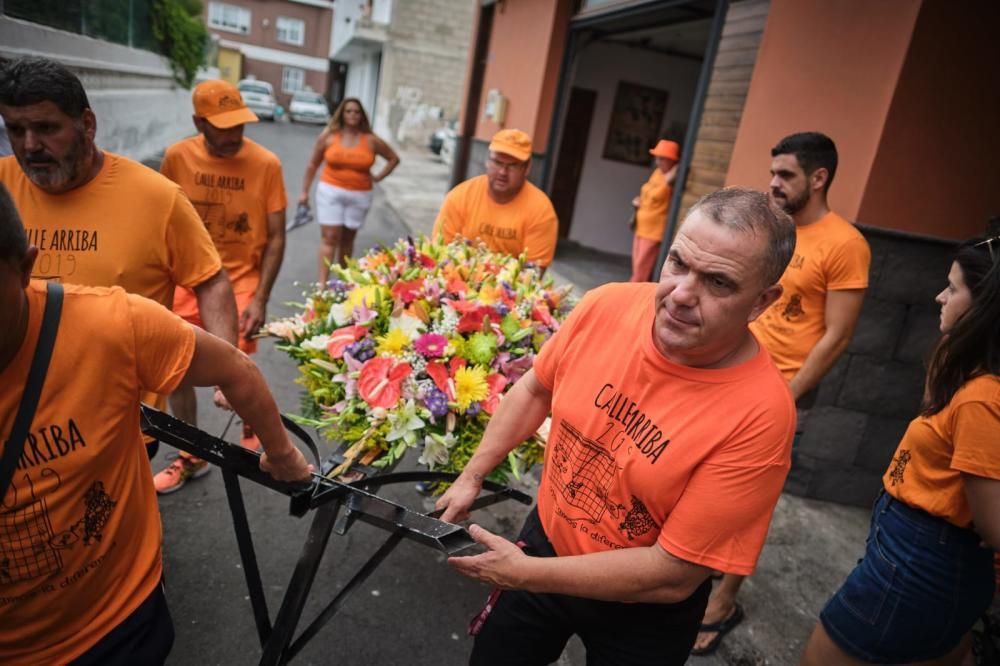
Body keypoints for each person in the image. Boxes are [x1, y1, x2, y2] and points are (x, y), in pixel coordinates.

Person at [436, 188, 798, 665]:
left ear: (762, 302)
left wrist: (523, 574)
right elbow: (535, 390)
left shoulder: (761, 415)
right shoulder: (605, 307)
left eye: (718, 283)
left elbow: (672, 572)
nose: (682, 294)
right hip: (545, 540)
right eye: (678, 264)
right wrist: (472, 475)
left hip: (642, 609)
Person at [0, 184, 313, 664]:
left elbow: (222, 318)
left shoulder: (111, 320)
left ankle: (190, 458)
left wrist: (284, 454)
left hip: (115, 625)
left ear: (25, 267)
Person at [0, 56, 238, 458]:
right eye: (16, 129)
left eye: (46, 128)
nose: (30, 145)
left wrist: (226, 368)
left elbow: (210, 278)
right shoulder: (2, 186)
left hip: (118, 427)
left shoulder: (156, 197)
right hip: (13, 418)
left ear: (87, 125)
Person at [693, 131, 871, 655]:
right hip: (730, 371)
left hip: (784, 389)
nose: (773, 182)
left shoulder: (845, 244)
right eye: (773, 172)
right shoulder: (771, 230)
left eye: (786, 175)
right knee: (702, 476)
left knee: (751, 498)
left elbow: (837, 335)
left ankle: (724, 598)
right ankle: (685, 567)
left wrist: (787, 396)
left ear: (818, 179)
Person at [800, 237, 1000, 666]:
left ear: (985, 306)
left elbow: (993, 525)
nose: (938, 296)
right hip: (916, 558)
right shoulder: (971, 377)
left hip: (920, 565)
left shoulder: (982, 398)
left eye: (952, 288)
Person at [153, 79, 288, 493]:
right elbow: (159, 219)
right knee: (174, 372)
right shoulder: (177, 156)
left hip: (240, 282)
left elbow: (277, 235)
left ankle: (251, 419)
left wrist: (262, 297)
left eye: (239, 125)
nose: (234, 134)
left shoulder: (266, 164)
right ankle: (191, 455)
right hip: (185, 280)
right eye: (223, 126)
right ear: (199, 121)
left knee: (235, 368)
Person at [297, 97, 399, 285]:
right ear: (342, 114)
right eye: (348, 111)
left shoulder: (371, 140)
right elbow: (313, 164)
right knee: (330, 237)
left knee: (347, 240)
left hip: (359, 195)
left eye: (357, 112)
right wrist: (304, 192)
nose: (352, 115)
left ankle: (342, 283)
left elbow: (393, 158)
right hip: (330, 191)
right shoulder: (329, 136)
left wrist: (378, 177)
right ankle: (322, 285)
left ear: (362, 116)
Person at [433, 128, 558, 269]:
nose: (502, 172)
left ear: (527, 168)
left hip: (511, 287)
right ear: (487, 161)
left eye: (512, 166)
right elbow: (441, 250)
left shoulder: (541, 210)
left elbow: (533, 271)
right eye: (497, 162)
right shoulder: (460, 196)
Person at [630, 139, 679, 282]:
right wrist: (639, 201)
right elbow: (649, 195)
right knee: (636, 267)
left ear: (671, 160)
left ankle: (631, 296)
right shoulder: (657, 173)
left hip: (653, 232)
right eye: (657, 158)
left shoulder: (672, 177)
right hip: (641, 227)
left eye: (662, 158)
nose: (658, 162)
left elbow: (660, 196)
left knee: (641, 269)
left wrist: (673, 174)